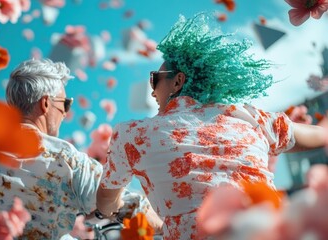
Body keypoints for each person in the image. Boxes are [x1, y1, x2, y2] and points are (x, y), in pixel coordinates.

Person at [96, 13, 327, 240]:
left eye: (155, 78)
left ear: (177, 81)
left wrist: (116, 211)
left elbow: (106, 201)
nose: (152, 89)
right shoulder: (248, 116)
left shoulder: (133, 135)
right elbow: (317, 135)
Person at [0, 59, 103, 239]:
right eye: (65, 104)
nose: (65, 113)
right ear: (46, 103)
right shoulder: (69, 158)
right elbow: (130, 204)